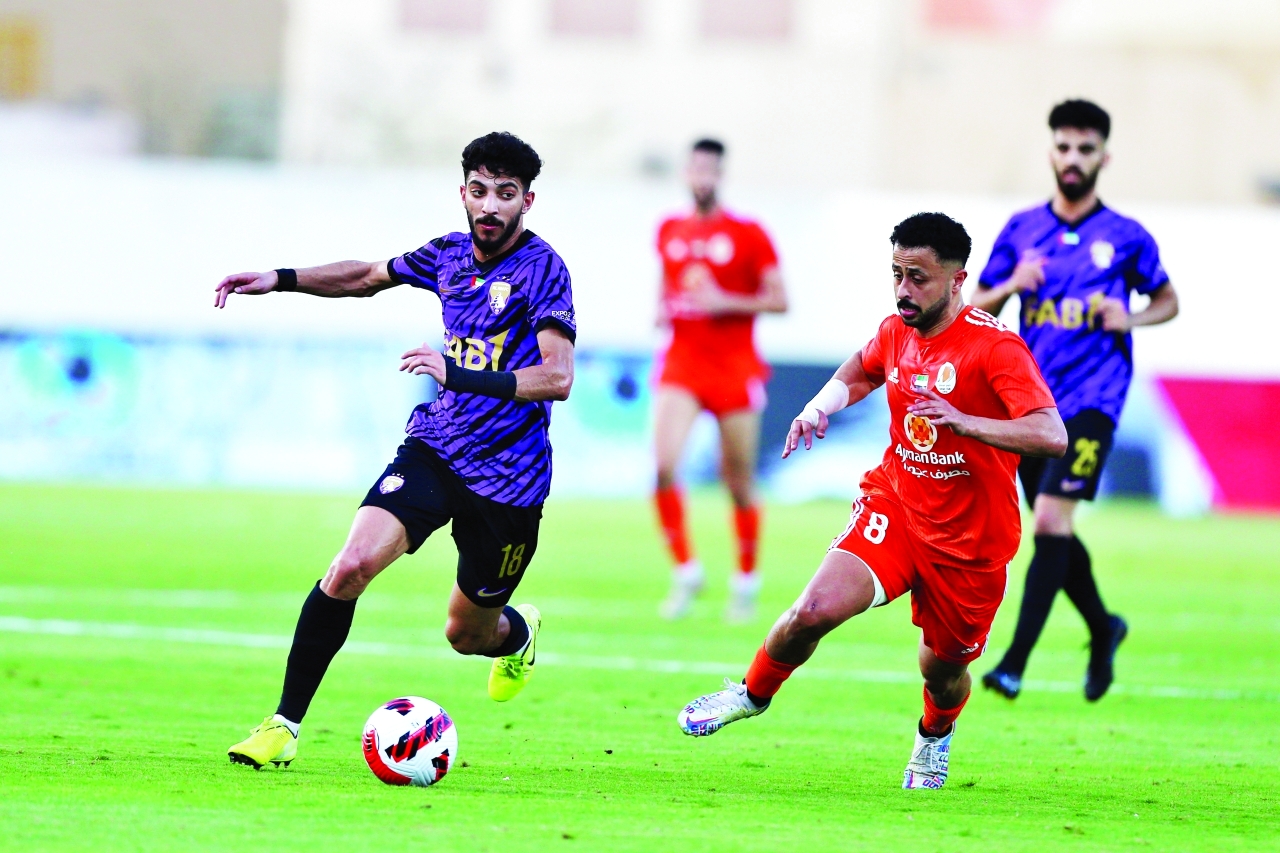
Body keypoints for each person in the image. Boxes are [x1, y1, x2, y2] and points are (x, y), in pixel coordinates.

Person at [215, 131, 576, 770]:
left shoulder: (543, 269)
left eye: (505, 194)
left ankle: (518, 634)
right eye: (479, 191)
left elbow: (558, 377)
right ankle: (282, 726)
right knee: (348, 567)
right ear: (463, 193)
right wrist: (279, 279)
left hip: (510, 481)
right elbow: (364, 277)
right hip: (436, 448)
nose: (490, 206)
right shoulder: (448, 256)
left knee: (467, 635)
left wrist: (457, 373)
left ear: (527, 201)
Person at [676, 213, 1067, 790]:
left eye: (919, 278)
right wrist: (819, 406)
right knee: (810, 612)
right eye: (897, 274)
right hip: (898, 508)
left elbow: (1051, 434)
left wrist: (968, 422)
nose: (904, 290)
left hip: (971, 543)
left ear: (958, 280)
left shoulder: (996, 349)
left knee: (942, 670)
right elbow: (864, 368)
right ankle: (751, 693)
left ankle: (934, 737)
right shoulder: (896, 330)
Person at [972, 100, 1178, 702]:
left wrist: (1133, 315)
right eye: (1064, 147)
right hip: (1032, 406)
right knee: (1053, 531)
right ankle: (1103, 625)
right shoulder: (1021, 230)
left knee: (1048, 520)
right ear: (1051, 152)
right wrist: (1014, 283)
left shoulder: (1127, 238)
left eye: (1085, 149)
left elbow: (1169, 300)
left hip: (1093, 403)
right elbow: (977, 309)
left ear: (1103, 158)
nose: (1073, 158)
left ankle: (1013, 663)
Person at [652, 138, 788, 622]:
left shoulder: (749, 234)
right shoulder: (669, 229)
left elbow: (780, 300)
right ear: (687, 173)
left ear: (720, 174)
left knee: (738, 480)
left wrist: (722, 301)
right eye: (696, 169)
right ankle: (686, 571)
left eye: (711, 169)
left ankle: (746, 581)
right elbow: (666, 280)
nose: (702, 178)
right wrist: (660, 309)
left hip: (734, 367)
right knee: (664, 465)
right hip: (682, 363)